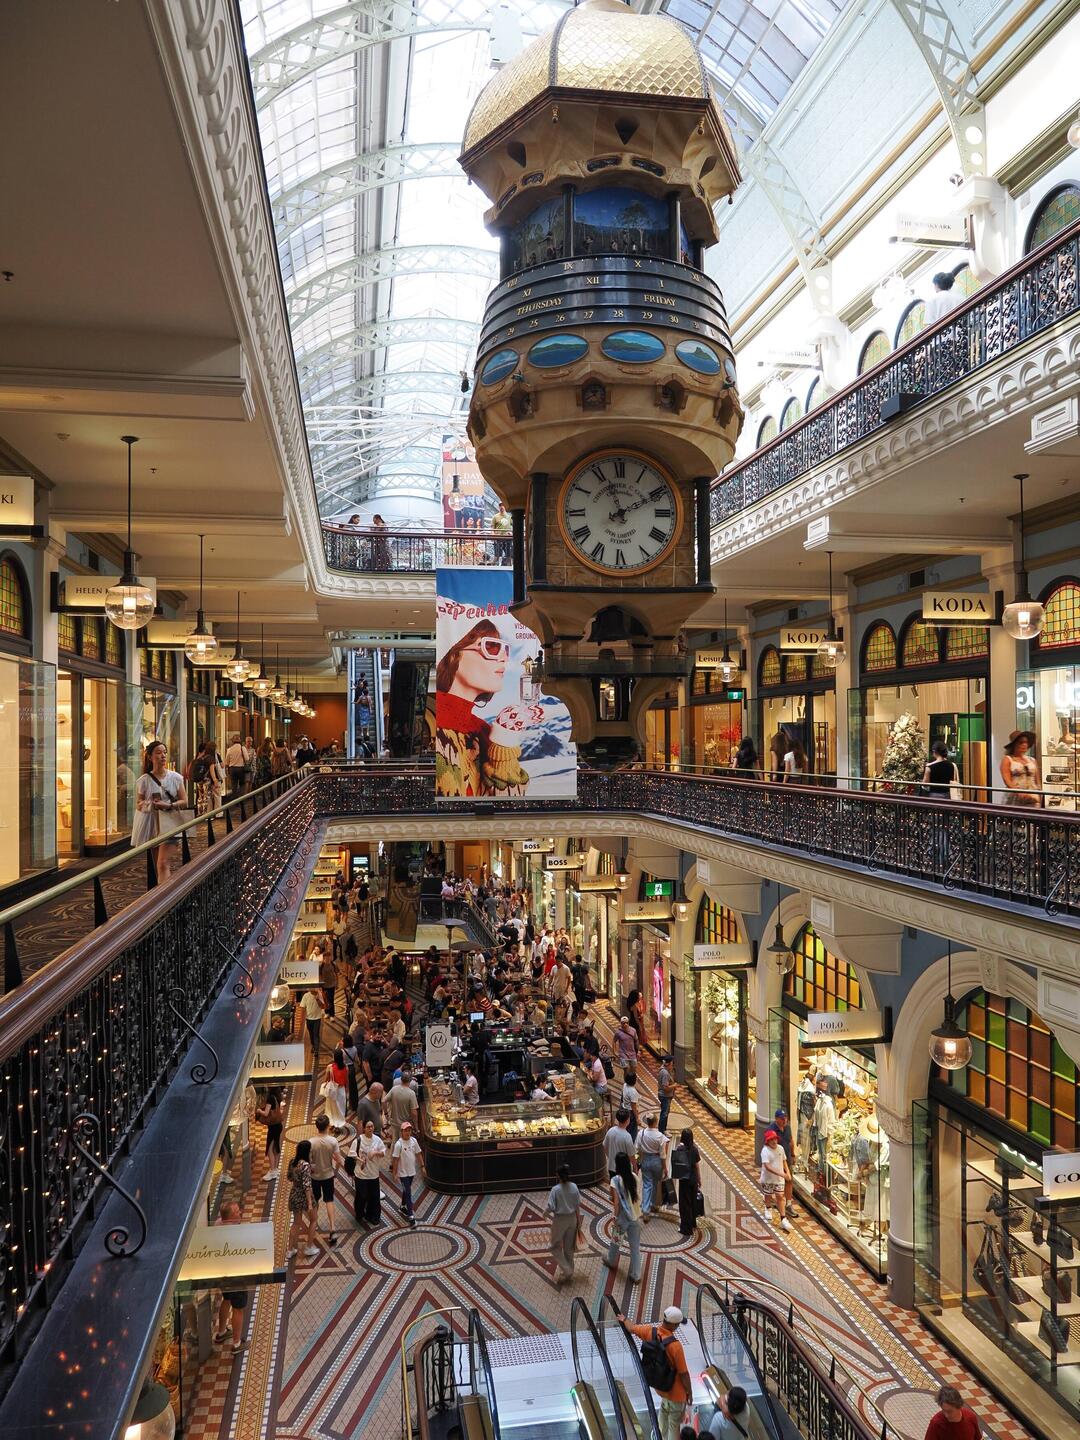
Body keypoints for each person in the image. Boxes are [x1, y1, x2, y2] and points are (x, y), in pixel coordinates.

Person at [434, 614, 531, 798]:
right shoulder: (436, 726)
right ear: (454, 652)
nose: (504, 658)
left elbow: (509, 802)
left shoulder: (483, 732)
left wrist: (504, 739)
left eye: (506, 650)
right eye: (492, 646)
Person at [617, 1305, 692, 1439]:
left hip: (661, 1388)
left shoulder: (650, 1332)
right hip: (676, 1393)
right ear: (674, 1326)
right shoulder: (676, 1346)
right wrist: (689, 1393)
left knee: (663, 1417)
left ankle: (657, 1437)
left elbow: (631, 1328)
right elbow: (683, 1374)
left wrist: (624, 1319)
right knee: (674, 1424)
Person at [132, 740, 188, 883]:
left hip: (170, 823)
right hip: (151, 825)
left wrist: (168, 805)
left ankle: (166, 900)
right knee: (158, 864)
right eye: (158, 753)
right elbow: (138, 804)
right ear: (150, 757)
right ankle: (162, 893)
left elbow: (184, 801)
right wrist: (149, 804)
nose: (163, 756)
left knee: (163, 863)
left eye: (164, 752)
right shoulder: (144, 780)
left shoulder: (175, 778)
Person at [212, 1200, 249, 1356]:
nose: (240, 1212)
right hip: (236, 1275)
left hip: (223, 1273)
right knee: (238, 1309)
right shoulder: (234, 1233)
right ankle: (236, 1344)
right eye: (236, 1212)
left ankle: (221, 1332)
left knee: (226, 1300)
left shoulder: (217, 1224)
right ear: (229, 1217)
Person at [604, 1152, 642, 1284]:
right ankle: (636, 1275)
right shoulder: (634, 1177)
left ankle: (610, 1260)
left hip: (622, 1218)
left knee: (616, 1241)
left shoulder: (615, 1181)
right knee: (635, 1247)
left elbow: (617, 1202)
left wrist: (615, 1216)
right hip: (635, 1217)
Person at [546, 1162, 583, 1285]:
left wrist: (544, 1214)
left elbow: (551, 1206)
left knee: (553, 1246)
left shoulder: (555, 1190)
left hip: (560, 1220)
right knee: (569, 1248)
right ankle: (569, 1273)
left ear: (558, 1176)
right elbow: (577, 1206)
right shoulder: (574, 1187)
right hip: (572, 1219)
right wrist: (578, 1222)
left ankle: (566, 1270)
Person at [309, 1114, 342, 1248]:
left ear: (316, 1127)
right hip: (328, 1175)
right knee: (329, 1200)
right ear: (328, 1126)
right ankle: (332, 1228)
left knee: (315, 1200)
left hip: (315, 1177)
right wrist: (336, 1172)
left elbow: (309, 1162)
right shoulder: (333, 1141)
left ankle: (314, 1224)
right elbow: (339, 1159)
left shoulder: (311, 1142)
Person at [347, 1117, 387, 1226]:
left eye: (372, 1126)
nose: (370, 1128)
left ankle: (373, 1216)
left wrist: (375, 1153)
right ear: (364, 1128)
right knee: (362, 1196)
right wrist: (361, 1160)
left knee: (374, 1197)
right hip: (361, 1175)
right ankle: (359, 1213)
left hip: (373, 1174)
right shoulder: (358, 1140)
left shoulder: (377, 1140)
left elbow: (384, 1152)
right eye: (368, 1127)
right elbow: (351, 1154)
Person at [285, 1139, 317, 1261]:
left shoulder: (292, 1162)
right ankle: (309, 1246)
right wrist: (309, 1202)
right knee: (314, 1219)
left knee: (296, 1223)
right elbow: (307, 1185)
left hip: (294, 1194)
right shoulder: (306, 1165)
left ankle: (290, 1249)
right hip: (304, 1196)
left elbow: (289, 1177)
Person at [670, 1127, 701, 1238]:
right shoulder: (694, 1149)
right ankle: (693, 1223)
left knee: (685, 1205)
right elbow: (697, 1166)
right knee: (693, 1202)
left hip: (684, 1180)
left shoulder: (680, 1150)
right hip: (693, 1180)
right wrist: (699, 1179)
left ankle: (686, 1228)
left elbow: (676, 1165)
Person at [636, 1113, 669, 1218]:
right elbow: (663, 1155)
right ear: (656, 1122)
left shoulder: (641, 1133)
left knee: (647, 1185)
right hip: (657, 1161)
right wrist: (665, 1168)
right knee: (655, 1183)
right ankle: (653, 1204)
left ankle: (645, 1210)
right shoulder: (660, 1136)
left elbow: (636, 1148)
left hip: (645, 1160)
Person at [391, 1119, 423, 1226]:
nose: (408, 1132)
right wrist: (395, 1173)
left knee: (406, 1190)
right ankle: (411, 1216)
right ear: (401, 1132)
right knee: (408, 1192)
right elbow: (395, 1160)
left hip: (412, 1172)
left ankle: (402, 1206)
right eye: (406, 1130)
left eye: (409, 1130)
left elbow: (418, 1154)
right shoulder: (398, 1144)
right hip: (403, 1173)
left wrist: (422, 1166)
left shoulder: (414, 1141)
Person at [760, 1128, 793, 1231]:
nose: (774, 1141)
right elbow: (767, 1166)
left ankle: (783, 1219)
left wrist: (787, 1172)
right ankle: (768, 1208)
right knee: (768, 1195)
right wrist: (782, 1174)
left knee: (780, 1196)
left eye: (775, 1139)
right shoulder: (765, 1151)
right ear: (767, 1141)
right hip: (768, 1179)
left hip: (779, 1179)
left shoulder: (780, 1148)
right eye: (771, 1140)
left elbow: (784, 1161)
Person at [1000, 729, 1041, 806]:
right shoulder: (1008, 759)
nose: (1024, 745)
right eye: (1021, 742)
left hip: (1033, 798)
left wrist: (1039, 795)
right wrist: (1020, 793)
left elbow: (1037, 781)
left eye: (1026, 742)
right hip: (1015, 798)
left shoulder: (1032, 760)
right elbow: (1007, 781)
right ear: (1014, 745)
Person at [255, 1088, 284, 1180]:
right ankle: (275, 1169)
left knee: (269, 1149)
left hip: (273, 1127)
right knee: (276, 1147)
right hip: (278, 1125)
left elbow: (266, 1113)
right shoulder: (278, 1097)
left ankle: (272, 1171)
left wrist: (259, 1110)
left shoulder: (270, 1098)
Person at [772, 1109, 796, 1214]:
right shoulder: (771, 1130)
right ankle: (778, 1201)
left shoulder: (787, 1127)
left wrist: (793, 1154)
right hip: (777, 1161)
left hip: (787, 1160)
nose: (784, 1120)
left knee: (789, 1181)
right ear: (776, 1119)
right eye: (782, 1118)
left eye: (785, 1117)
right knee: (778, 1183)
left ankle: (789, 1204)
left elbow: (790, 1141)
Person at [385, 1070, 420, 1141]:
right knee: (405, 1144)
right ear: (410, 1080)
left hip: (395, 1123)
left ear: (401, 1079)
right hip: (406, 1125)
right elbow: (414, 1113)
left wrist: (386, 1113)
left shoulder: (394, 1089)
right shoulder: (411, 1094)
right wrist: (416, 1127)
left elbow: (383, 1101)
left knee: (395, 1142)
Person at [604, 1108, 637, 1179]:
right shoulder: (627, 1136)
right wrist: (635, 1168)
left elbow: (604, 1146)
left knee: (613, 1186)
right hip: (623, 1169)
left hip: (611, 1167)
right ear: (628, 1120)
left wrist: (610, 1157)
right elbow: (631, 1155)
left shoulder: (611, 1130)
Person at [321, 1048, 349, 1131]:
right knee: (340, 1109)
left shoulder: (330, 1067)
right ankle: (338, 1125)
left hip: (333, 1090)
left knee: (331, 1108)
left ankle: (332, 1124)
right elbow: (347, 1080)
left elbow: (326, 1079)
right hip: (341, 1090)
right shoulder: (346, 1067)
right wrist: (347, 1089)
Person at [300, 986, 325, 1059]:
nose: (312, 989)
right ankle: (313, 1045)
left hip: (317, 1018)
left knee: (316, 1034)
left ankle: (316, 1050)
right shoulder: (306, 996)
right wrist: (303, 1019)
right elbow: (303, 1008)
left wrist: (317, 999)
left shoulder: (319, 994)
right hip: (309, 1019)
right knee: (311, 1034)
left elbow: (322, 1006)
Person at [657, 1055, 676, 1135]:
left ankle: (663, 1129)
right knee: (664, 1113)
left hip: (665, 1095)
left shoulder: (664, 1070)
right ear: (669, 1063)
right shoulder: (665, 1073)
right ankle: (662, 1130)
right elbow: (665, 1087)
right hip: (665, 1096)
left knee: (665, 1112)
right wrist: (674, 1086)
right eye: (672, 1063)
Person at [622, 1068, 641, 1141]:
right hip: (630, 1113)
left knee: (626, 1128)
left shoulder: (625, 1085)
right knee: (632, 1131)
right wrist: (637, 1118)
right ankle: (630, 1145)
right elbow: (633, 1107)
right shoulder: (633, 1092)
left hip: (625, 1108)